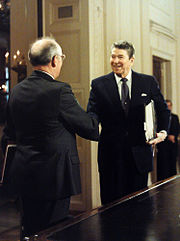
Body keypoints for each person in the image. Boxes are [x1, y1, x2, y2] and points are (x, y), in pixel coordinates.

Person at [1, 37, 99, 240]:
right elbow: (89, 128)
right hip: (54, 177)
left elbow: (10, 133)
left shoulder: (17, 91)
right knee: (53, 232)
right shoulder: (59, 90)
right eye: (61, 57)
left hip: (25, 173)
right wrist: (96, 110)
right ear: (55, 60)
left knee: (29, 230)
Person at [87, 41, 170, 205]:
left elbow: (163, 110)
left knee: (139, 207)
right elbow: (92, 113)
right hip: (110, 156)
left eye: (120, 57)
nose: (115, 61)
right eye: (113, 56)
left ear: (131, 60)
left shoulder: (148, 82)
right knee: (111, 208)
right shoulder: (99, 84)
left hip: (139, 154)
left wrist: (162, 133)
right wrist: (88, 126)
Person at [157, 99, 180, 181]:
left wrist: (174, 136)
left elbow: (177, 128)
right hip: (164, 145)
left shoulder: (175, 117)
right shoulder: (160, 117)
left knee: (172, 166)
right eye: (167, 106)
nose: (168, 107)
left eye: (170, 106)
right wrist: (167, 136)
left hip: (173, 145)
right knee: (163, 167)